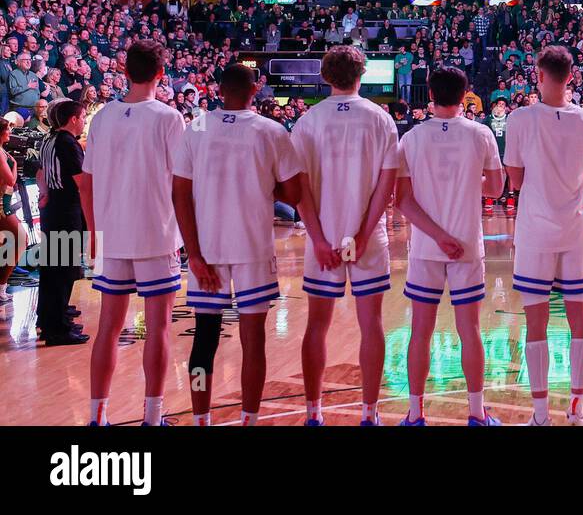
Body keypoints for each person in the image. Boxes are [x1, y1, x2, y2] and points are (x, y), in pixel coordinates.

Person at [170, 64, 304, 426]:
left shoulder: (196, 127)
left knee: (204, 340)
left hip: (207, 250)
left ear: (218, 89)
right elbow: (294, 194)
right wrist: (266, 186)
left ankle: (200, 417)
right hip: (253, 248)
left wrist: (193, 254)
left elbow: (179, 194)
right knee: (253, 341)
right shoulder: (272, 130)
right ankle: (250, 418)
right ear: (255, 89)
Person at [80, 40, 186, 426]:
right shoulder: (169, 117)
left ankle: (97, 416)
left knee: (107, 329)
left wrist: (94, 234)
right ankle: (152, 418)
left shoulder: (102, 117)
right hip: (155, 235)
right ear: (161, 73)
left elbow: (86, 184)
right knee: (157, 329)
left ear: (126, 71)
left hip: (114, 234)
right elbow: (182, 184)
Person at [292, 45, 399, 426]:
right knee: (372, 325)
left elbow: (298, 189)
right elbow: (387, 187)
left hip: (322, 236)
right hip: (369, 237)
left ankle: (313, 413)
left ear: (324, 76)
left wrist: (319, 239)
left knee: (316, 327)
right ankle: (369, 415)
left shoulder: (307, 121)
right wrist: (365, 234)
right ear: (362, 74)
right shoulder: (381, 119)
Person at [395, 66, 504, 426]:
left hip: (427, 247)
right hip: (467, 243)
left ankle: (415, 413)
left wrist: (437, 235)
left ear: (429, 92)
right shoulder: (480, 133)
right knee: (469, 329)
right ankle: (476, 413)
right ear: (466, 94)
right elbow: (496, 190)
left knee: (420, 332)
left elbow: (404, 201)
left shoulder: (411, 139)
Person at [504, 45, 583, 426]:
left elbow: (514, 179)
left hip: (534, 230)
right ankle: (577, 409)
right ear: (572, 75)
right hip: (576, 227)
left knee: (536, 324)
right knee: (580, 319)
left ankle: (541, 414)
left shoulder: (519, 119)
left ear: (539, 74)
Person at [35, 99, 88, 345]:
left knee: (52, 269)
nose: (85, 121)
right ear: (73, 119)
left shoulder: (49, 138)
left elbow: (40, 172)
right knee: (63, 270)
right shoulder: (67, 143)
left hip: (53, 208)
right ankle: (57, 328)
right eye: (83, 117)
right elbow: (81, 183)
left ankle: (48, 319)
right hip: (66, 211)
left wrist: (44, 193)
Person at [0, 115, 24, 304]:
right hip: (1, 204)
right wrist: (15, 165)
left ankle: (2, 286)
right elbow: (10, 180)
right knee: (20, 239)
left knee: (7, 244)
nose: (10, 131)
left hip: (5, 201)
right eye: (7, 128)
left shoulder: (2, 150)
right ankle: (2, 286)